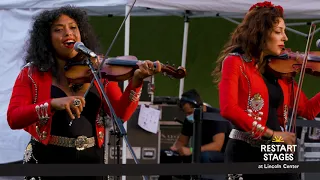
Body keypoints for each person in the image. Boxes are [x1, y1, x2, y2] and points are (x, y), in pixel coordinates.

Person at [6, 6, 161, 180]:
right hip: (47, 162)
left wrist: (136, 82)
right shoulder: (32, 74)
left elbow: (120, 114)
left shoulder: (97, 69)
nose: (68, 33)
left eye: (73, 27)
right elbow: (14, 117)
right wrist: (53, 104)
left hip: (91, 164)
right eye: (58, 29)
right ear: (47, 39)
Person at [212, 1, 320, 180]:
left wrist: (277, 138)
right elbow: (228, 109)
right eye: (278, 32)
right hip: (246, 148)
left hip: (277, 146)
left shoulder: (282, 72)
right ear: (260, 33)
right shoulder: (235, 62)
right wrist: (273, 134)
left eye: (284, 31)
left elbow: (307, 110)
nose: (285, 37)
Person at [159, 89, 231, 180]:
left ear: (199, 107)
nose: (187, 116)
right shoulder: (189, 118)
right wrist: (174, 150)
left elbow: (217, 146)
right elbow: (182, 141)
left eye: (189, 113)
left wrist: (191, 150)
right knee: (166, 155)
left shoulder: (216, 116)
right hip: (199, 151)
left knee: (204, 156)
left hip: (222, 155)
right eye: (185, 113)